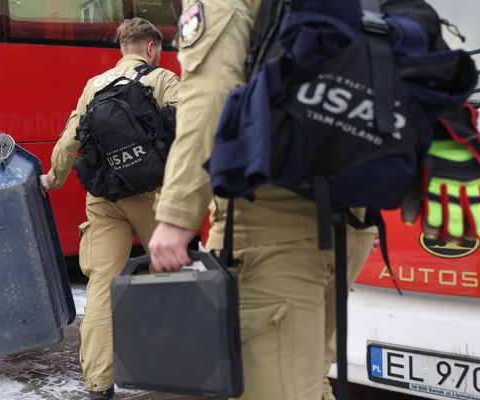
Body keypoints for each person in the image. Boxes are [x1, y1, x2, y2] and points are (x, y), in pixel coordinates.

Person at [147, 2, 375, 400]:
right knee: (304, 378)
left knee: (273, 386)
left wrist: (176, 214)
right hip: (352, 220)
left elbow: (212, 94)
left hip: (271, 229)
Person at [40, 18, 179, 400]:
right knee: (167, 276)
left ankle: (98, 385)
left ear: (123, 47)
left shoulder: (94, 86)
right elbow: (190, 132)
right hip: (153, 195)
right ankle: (167, 367)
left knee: (102, 287)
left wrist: (53, 178)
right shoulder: (164, 79)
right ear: (151, 47)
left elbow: (69, 141)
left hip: (104, 198)